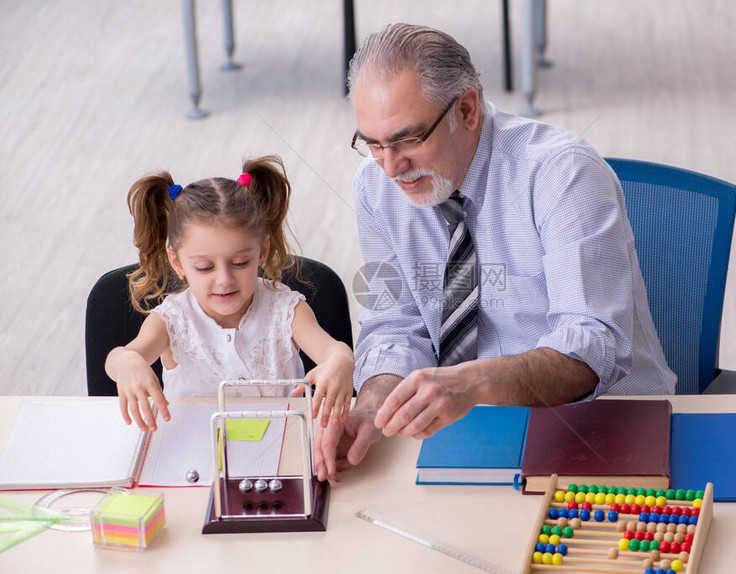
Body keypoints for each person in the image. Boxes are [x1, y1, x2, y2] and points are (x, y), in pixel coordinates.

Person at [314, 24, 675, 481]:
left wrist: (473, 383)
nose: (390, 167)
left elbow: (591, 345)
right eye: (373, 143)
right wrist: (370, 406)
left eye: (408, 139)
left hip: (608, 424)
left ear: (466, 109)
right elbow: (397, 325)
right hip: (475, 433)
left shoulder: (562, 174)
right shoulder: (375, 186)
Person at [106, 155, 354, 432]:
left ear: (262, 251)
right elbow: (117, 359)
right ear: (177, 263)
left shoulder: (286, 310)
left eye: (239, 263)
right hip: (195, 454)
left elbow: (333, 352)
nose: (224, 280)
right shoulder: (171, 320)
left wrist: (342, 360)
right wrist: (127, 362)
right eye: (204, 267)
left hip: (281, 449)